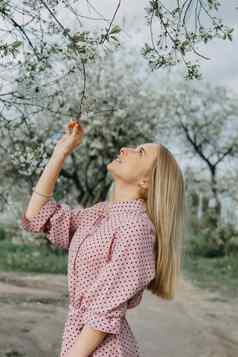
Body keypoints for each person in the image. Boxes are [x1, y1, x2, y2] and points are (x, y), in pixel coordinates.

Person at [21, 118, 186, 357]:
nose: (124, 149)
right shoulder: (101, 213)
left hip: (101, 350)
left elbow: (102, 315)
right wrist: (61, 151)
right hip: (78, 341)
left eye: (139, 152)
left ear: (146, 181)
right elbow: (37, 215)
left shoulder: (136, 228)